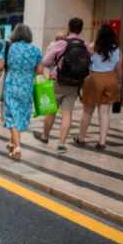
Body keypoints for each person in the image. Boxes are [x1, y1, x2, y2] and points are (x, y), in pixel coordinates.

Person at [35, 18, 87, 153]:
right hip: (75, 84)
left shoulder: (60, 44)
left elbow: (46, 62)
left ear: (68, 28)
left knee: (51, 111)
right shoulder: (85, 45)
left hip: (58, 81)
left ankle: (45, 136)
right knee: (67, 113)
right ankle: (61, 144)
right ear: (81, 30)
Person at [0, 24, 44, 161]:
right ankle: (12, 143)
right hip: (27, 88)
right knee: (20, 115)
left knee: (11, 117)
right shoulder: (35, 50)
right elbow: (40, 71)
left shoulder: (8, 47)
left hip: (11, 86)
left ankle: (17, 147)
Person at [76, 24, 123, 150]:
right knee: (104, 112)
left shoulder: (92, 47)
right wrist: (119, 83)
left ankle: (81, 138)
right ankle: (102, 142)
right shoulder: (117, 50)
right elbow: (119, 69)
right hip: (111, 79)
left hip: (94, 79)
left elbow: (83, 63)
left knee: (87, 111)